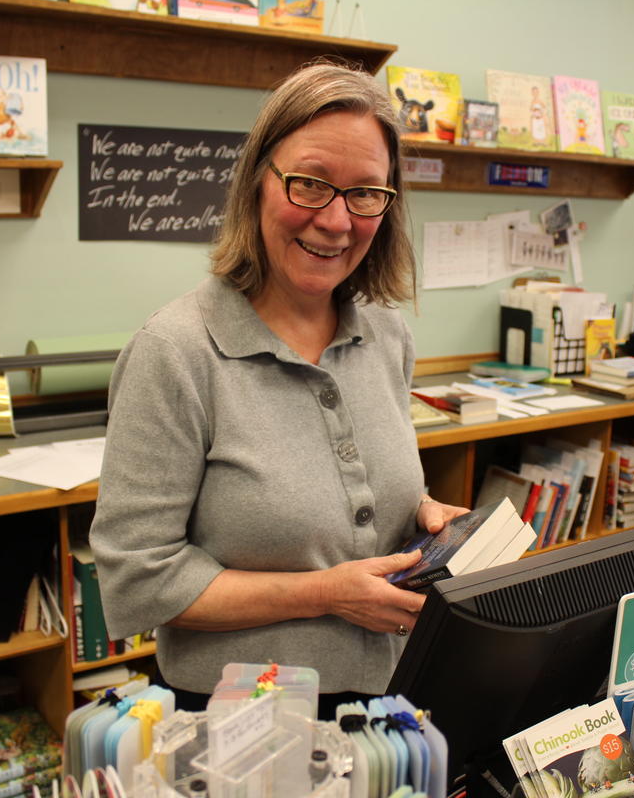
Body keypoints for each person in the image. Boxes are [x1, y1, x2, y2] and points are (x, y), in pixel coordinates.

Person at [89, 62, 468, 715]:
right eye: (311, 184)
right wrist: (325, 592)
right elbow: (137, 582)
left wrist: (425, 516)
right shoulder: (175, 353)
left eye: (366, 194)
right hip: (247, 723)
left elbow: (338, 489)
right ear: (257, 183)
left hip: (391, 701)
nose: (337, 221)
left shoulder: (386, 334)